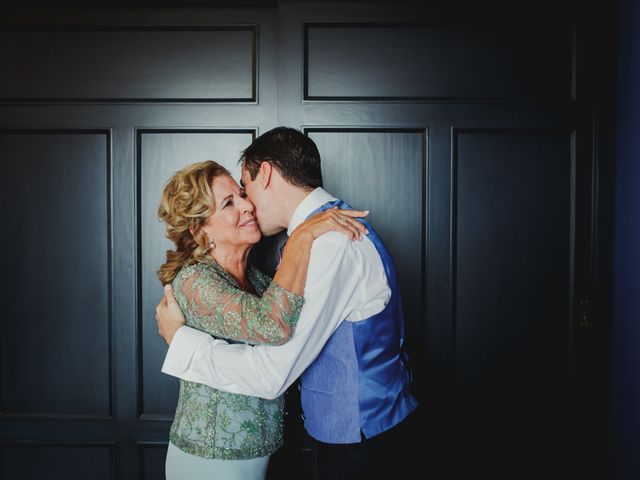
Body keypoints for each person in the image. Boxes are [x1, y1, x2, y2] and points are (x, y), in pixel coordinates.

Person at [157, 127, 420, 479]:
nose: (247, 204)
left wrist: (182, 343)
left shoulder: (328, 244)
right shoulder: (313, 240)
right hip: (216, 456)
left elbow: (271, 373)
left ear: (263, 174)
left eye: (242, 190)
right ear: (198, 227)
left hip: (360, 441)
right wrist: (302, 236)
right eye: (230, 201)